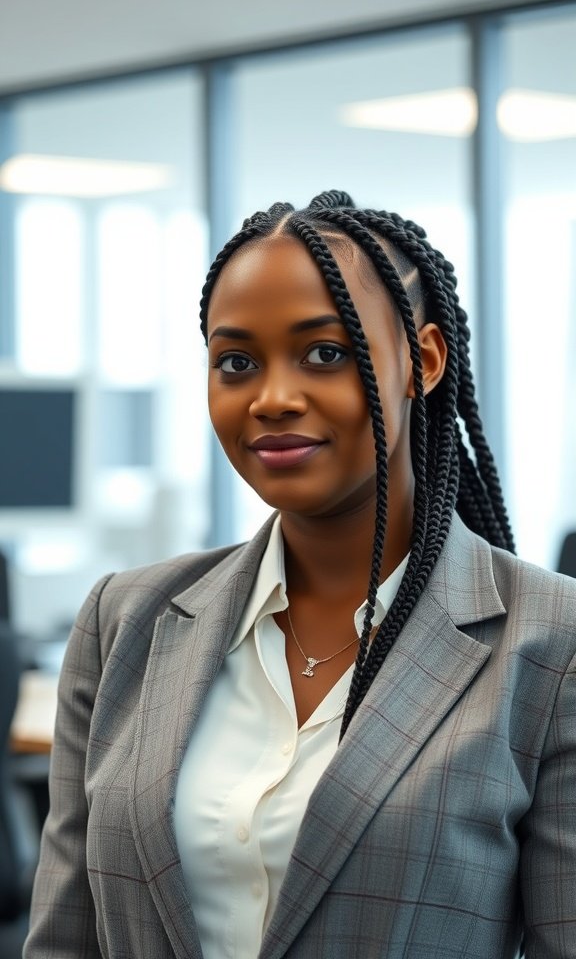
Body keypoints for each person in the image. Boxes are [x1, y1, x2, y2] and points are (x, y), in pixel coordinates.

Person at [24, 191, 576, 959]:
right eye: (237, 362)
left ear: (422, 360)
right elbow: (64, 940)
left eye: (326, 352)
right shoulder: (126, 620)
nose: (273, 398)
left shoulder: (550, 645)